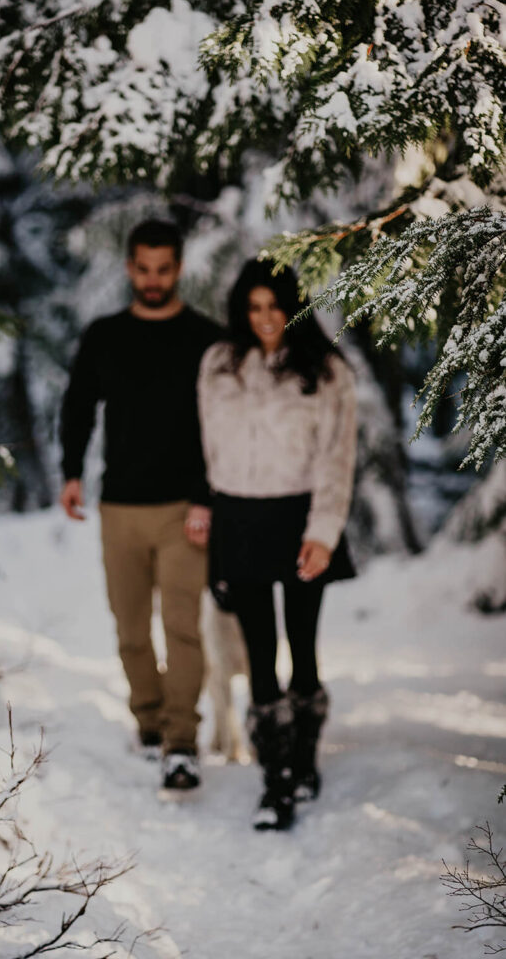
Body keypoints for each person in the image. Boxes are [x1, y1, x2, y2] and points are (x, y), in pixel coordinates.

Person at [60, 218, 221, 791]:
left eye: (164, 269)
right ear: (130, 268)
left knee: (181, 628)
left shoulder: (206, 338)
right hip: (120, 508)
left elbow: (220, 426)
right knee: (130, 630)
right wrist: (71, 472)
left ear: (178, 269)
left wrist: (206, 497)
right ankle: (149, 724)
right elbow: (78, 404)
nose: (153, 280)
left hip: (184, 511)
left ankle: (182, 742)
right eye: (144, 268)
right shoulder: (104, 336)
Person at [197, 258, 357, 830]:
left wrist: (322, 533)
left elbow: (338, 460)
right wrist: (211, 516)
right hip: (239, 517)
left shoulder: (329, 371)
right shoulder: (219, 364)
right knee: (258, 654)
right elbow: (206, 449)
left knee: (303, 647)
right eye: (255, 307)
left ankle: (305, 757)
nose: (266, 318)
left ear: (294, 307)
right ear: (243, 310)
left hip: (301, 517)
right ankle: (276, 781)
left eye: (276, 306)